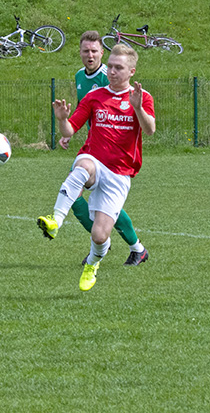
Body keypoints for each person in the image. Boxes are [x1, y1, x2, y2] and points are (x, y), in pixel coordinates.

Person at [37, 44, 155, 292]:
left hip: (120, 173)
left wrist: (137, 107)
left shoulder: (142, 98)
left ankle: (92, 263)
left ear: (131, 71)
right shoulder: (94, 96)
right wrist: (61, 119)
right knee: (81, 167)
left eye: (118, 68)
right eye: (110, 66)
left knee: (100, 236)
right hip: (94, 160)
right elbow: (71, 130)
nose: (112, 71)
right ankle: (55, 220)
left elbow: (150, 129)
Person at [52, 31, 148, 267]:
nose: (90, 55)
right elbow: (90, 113)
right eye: (86, 51)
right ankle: (111, 243)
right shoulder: (79, 77)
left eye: (95, 51)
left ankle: (132, 247)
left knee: (99, 202)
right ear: (80, 53)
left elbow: (119, 112)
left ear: (102, 53)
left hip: (115, 156)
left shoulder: (109, 77)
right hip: (94, 149)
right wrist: (68, 130)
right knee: (76, 191)